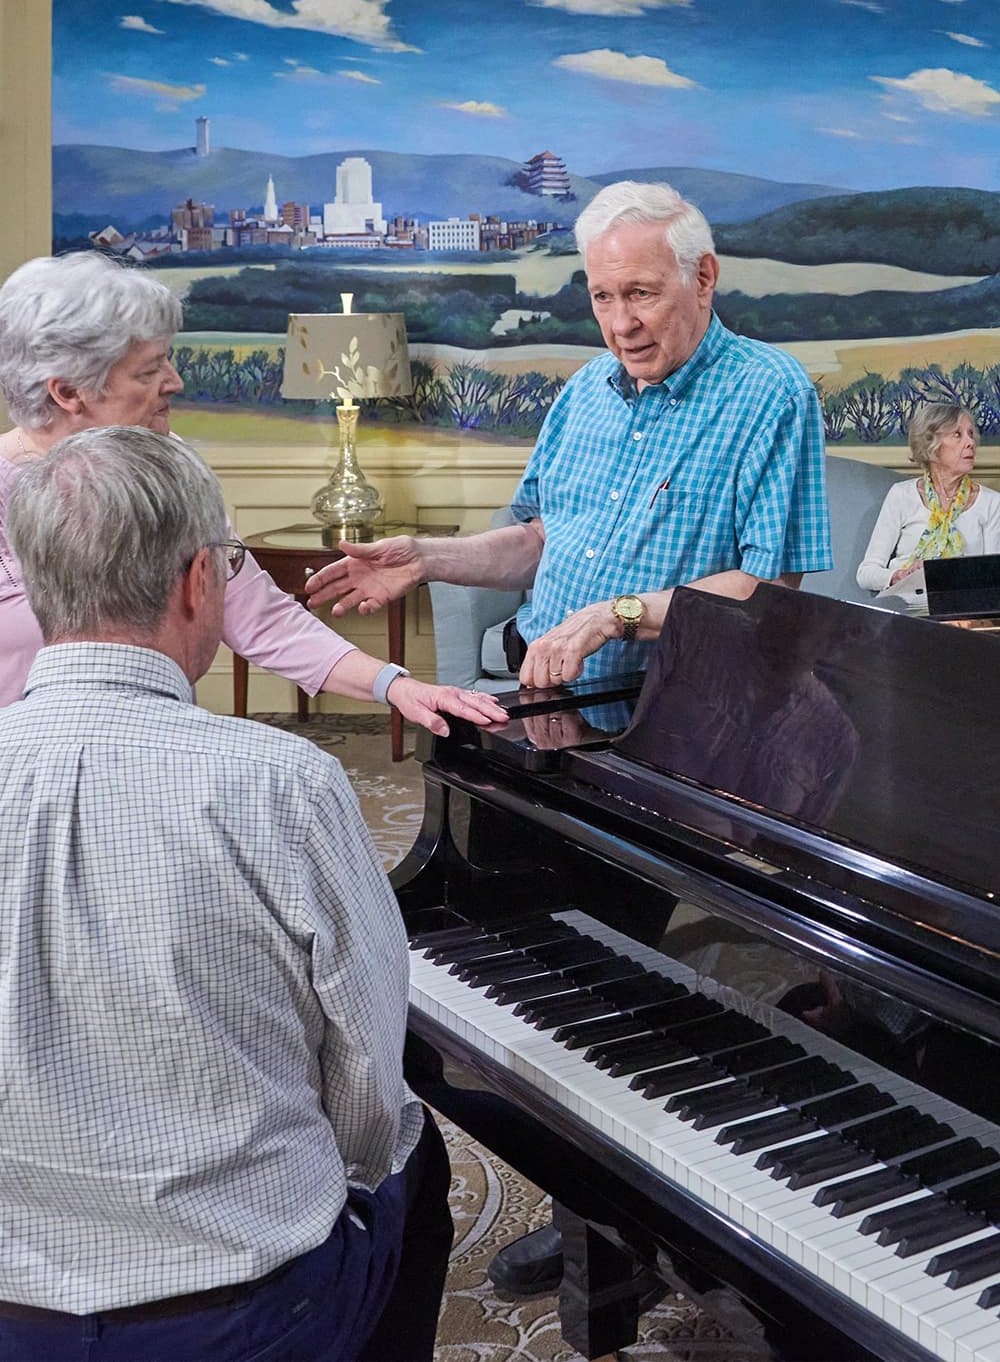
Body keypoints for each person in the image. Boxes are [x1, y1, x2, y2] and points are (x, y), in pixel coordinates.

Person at [305, 179, 832, 1293]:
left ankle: (660, 1223)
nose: (621, 321)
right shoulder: (585, 393)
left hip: (676, 731)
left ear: (704, 278)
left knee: (642, 983)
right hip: (551, 721)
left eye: (641, 293)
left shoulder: (769, 392)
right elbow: (540, 538)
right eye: (601, 296)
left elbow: (771, 585)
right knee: (551, 967)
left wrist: (618, 613)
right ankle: (592, 1206)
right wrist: (427, 556)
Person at [0, 424, 453, 1362]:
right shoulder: (286, 783)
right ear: (199, 581)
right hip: (242, 1307)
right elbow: (367, 1078)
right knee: (420, 1155)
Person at [0, 250, 506, 739]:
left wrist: (397, 686)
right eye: (149, 371)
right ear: (68, 392)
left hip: (154, 753)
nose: (175, 382)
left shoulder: (170, 467)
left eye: (167, 360)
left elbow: (258, 615)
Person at [856, 401, 1000, 596]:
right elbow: (866, 573)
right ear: (931, 444)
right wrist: (900, 576)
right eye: (957, 435)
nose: (970, 443)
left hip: (962, 605)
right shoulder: (902, 495)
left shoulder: (992, 503)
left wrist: (944, 574)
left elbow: (993, 578)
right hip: (904, 601)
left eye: (971, 434)